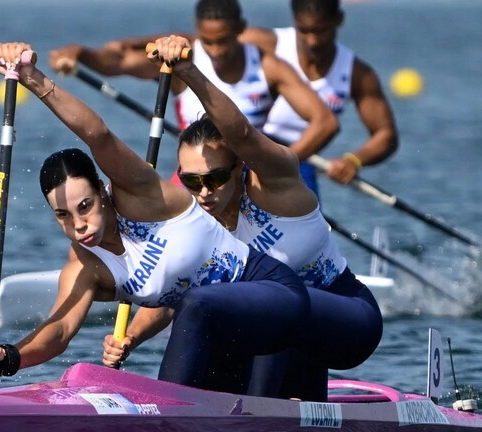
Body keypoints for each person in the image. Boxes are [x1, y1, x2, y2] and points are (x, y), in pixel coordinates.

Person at [0, 42, 322, 393]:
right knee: (212, 425)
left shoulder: (139, 196)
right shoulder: (86, 264)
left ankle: (164, 425)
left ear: (104, 190)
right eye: (63, 215)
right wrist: (8, 357)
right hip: (220, 330)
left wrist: (34, 79)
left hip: (275, 295)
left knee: (196, 305)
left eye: (85, 206)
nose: (78, 224)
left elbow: (98, 134)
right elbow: (59, 330)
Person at [102, 36, 383, 401]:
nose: (205, 192)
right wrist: (129, 340)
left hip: (346, 318)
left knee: (266, 301)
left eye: (216, 177)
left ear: (240, 168)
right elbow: (173, 296)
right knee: (214, 311)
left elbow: (242, 132)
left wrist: (187, 70)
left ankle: (203, 416)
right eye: (192, 181)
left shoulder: (276, 186)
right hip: (282, 343)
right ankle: (202, 421)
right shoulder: (197, 221)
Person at [48, 0, 339, 189]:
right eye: (208, 42)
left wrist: (275, 165)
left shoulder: (268, 66)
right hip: (194, 178)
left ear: (240, 29)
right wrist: (80, 53)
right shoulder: (182, 60)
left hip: (250, 178)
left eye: (224, 41)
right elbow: (118, 62)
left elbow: (324, 122)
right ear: (199, 33)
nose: (216, 52)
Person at [239, 0, 398, 188]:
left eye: (321, 30)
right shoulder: (259, 42)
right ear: (294, 21)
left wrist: (353, 160)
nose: (312, 41)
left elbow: (386, 135)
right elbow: (206, 47)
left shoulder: (358, 74)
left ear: (339, 20)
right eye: (304, 31)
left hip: (302, 160)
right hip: (250, 149)